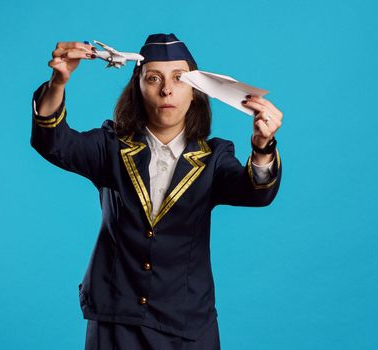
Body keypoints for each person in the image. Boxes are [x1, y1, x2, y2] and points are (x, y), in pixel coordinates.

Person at [30, 33, 283, 350]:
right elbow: (53, 143)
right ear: (138, 86)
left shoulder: (214, 158)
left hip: (187, 324)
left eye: (179, 78)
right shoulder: (110, 146)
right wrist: (58, 83)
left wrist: (263, 147)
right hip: (114, 318)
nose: (167, 89)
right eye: (154, 78)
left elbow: (256, 191)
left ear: (196, 90)